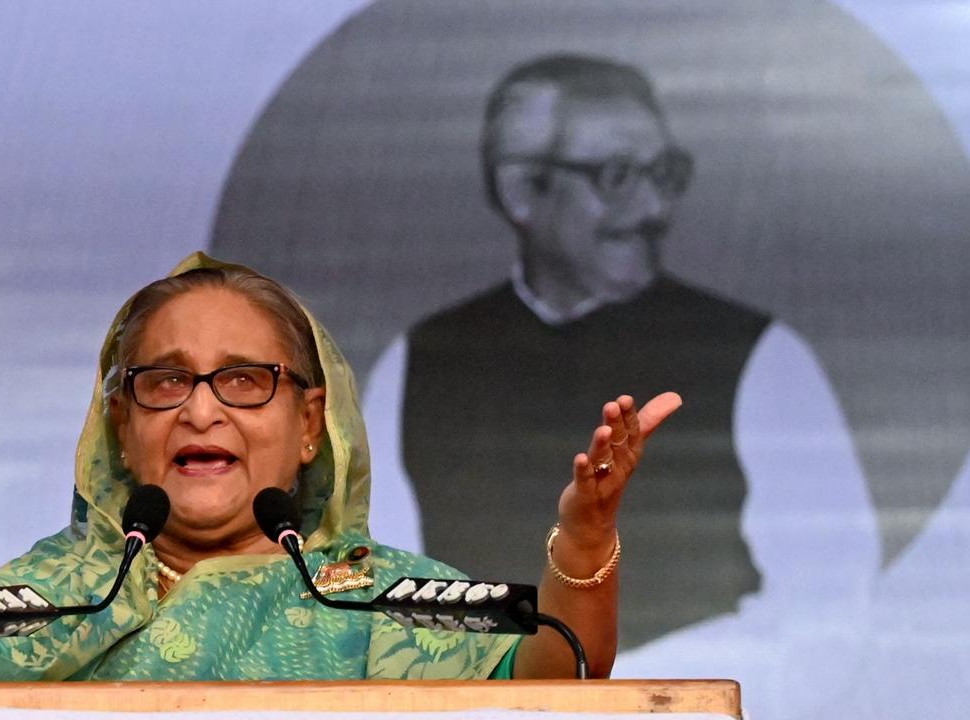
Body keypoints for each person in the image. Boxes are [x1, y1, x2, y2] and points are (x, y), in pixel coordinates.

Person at [0, 253, 679, 681]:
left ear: (308, 425)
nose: (201, 408)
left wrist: (586, 532)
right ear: (119, 420)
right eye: (166, 379)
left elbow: (557, 672)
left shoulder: (371, 601)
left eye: (244, 381)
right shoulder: (69, 595)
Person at [363, 54, 878, 649]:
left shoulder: (760, 354)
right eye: (617, 177)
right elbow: (390, 601)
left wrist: (621, 699)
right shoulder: (419, 362)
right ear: (523, 191)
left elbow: (828, 611)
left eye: (665, 174)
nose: (655, 209)